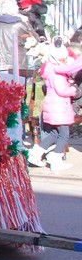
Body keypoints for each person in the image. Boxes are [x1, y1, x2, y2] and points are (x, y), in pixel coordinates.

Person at [28, 36, 76, 171]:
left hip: (52, 106)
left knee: (54, 134)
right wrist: (73, 89)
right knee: (64, 134)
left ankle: (36, 154)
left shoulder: (49, 70)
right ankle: (55, 159)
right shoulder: (58, 73)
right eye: (63, 59)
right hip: (59, 108)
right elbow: (62, 90)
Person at [0, 0, 37, 74]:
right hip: (18, 66)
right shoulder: (19, 25)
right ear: (15, 10)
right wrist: (27, 22)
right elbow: (35, 39)